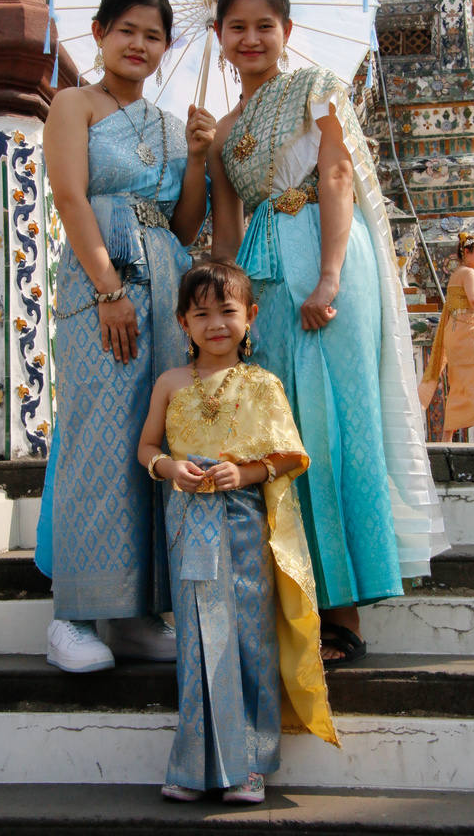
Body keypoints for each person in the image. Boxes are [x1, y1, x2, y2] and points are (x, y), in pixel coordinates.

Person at [207, 0, 447, 666]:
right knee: (281, 427)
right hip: (264, 271)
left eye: (264, 26)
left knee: (335, 421)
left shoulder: (316, 86)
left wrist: (333, 274)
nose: (251, 39)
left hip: (327, 253)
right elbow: (226, 230)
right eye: (237, 27)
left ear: (285, 32)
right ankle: (293, 601)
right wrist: (223, 308)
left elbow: (336, 176)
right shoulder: (222, 130)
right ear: (219, 37)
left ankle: (346, 610)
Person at [36, 0, 215, 672]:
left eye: (153, 35)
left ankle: (138, 612)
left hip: (165, 279)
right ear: (101, 33)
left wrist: (198, 158)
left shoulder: (172, 126)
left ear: (166, 47)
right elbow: (70, 195)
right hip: (99, 281)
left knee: (155, 435)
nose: (139, 45)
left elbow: (185, 225)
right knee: (98, 434)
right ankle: (74, 616)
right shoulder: (73, 104)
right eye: (127, 31)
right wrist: (108, 287)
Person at [138, 259, 338, 804]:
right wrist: (169, 469)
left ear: (250, 316)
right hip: (188, 526)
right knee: (199, 643)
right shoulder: (170, 383)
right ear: (183, 322)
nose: (215, 324)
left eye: (227, 311)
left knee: (249, 641)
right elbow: (147, 448)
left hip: (246, 527)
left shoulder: (263, 385)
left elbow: (290, 457)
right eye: (200, 313)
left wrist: (246, 472)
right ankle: (192, 766)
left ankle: (250, 763)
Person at [418, 232, 474, 442]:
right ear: (466, 252)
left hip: (456, 334)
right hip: (471, 333)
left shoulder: (458, 273)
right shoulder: (469, 273)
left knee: (458, 385)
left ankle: (447, 436)